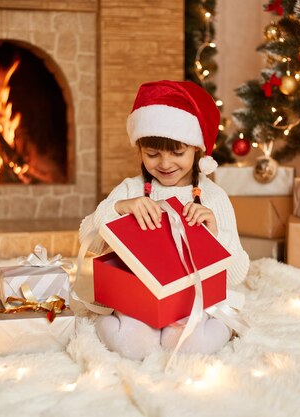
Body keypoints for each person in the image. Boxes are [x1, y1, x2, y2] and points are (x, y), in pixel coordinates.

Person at [79, 80, 250, 360]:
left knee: (185, 347)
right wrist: (120, 208)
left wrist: (215, 237)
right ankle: (100, 319)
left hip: (192, 298)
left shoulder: (213, 197)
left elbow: (238, 273)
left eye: (178, 153)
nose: (166, 164)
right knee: (136, 348)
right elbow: (88, 239)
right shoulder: (131, 190)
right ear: (140, 151)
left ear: (197, 149)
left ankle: (224, 326)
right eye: (153, 154)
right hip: (138, 294)